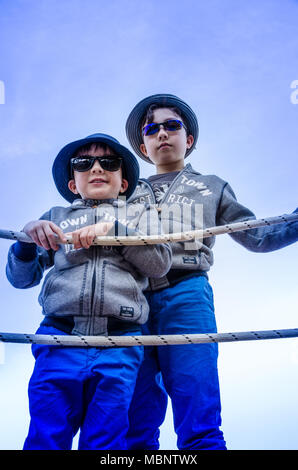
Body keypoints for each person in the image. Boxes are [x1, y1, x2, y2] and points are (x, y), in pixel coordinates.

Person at [124, 93, 298, 450]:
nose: (162, 133)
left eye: (172, 125)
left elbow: (259, 235)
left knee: (197, 402)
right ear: (143, 145)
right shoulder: (126, 193)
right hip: (131, 301)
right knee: (133, 416)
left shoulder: (212, 185)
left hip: (187, 295)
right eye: (152, 128)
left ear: (188, 139)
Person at [6, 132, 172, 450]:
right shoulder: (54, 218)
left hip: (119, 342)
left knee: (106, 439)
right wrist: (25, 243)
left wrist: (114, 230)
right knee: (46, 434)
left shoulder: (140, 216)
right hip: (58, 339)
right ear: (73, 184)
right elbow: (21, 279)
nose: (96, 168)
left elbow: (159, 264)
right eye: (84, 163)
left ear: (124, 183)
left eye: (108, 162)